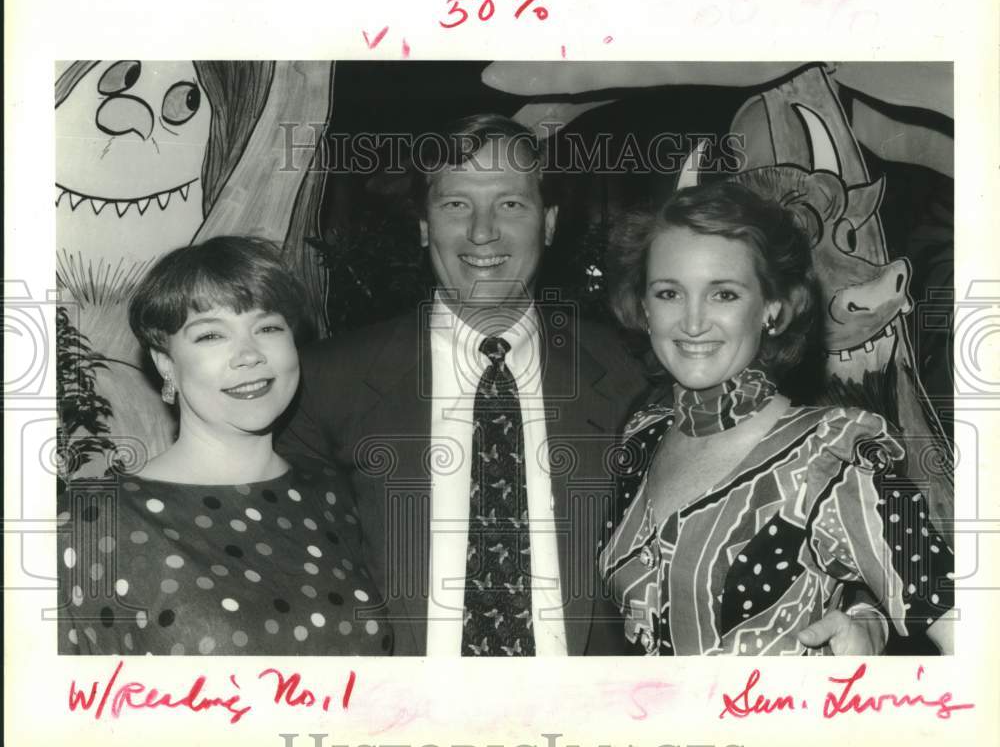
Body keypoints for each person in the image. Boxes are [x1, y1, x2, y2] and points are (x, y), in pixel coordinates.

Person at [276, 114, 879, 656]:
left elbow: (782, 484)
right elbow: (274, 557)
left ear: (549, 222)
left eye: (511, 204)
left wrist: (862, 609)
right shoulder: (328, 383)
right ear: (423, 226)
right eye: (456, 204)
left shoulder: (640, 371)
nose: (483, 233)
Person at [599, 181, 955, 656]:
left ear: (771, 307)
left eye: (723, 294)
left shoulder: (832, 454)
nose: (692, 321)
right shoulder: (644, 433)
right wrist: (864, 608)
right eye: (669, 293)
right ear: (644, 308)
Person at [57, 236, 392, 656]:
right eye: (212, 335)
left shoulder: (334, 492)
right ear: (166, 363)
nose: (249, 355)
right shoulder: (92, 522)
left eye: (268, 327)